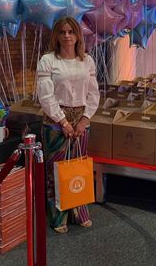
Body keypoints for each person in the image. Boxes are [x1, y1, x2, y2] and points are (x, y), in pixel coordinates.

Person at [36, 16, 100, 233]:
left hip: (81, 123)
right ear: (56, 35)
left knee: (78, 169)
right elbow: (46, 96)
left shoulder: (87, 61)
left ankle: (79, 212)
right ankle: (58, 216)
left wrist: (85, 119)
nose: (67, 36)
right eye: (62, 32)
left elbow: (93, 93)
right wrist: (63, 121)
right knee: (56, 172)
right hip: (56, 124)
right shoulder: (48, 60)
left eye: (71, 32)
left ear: (77, 35)